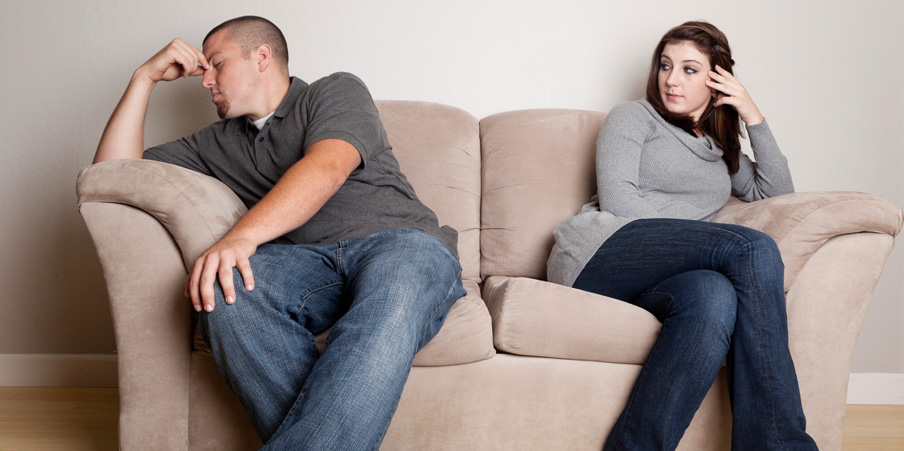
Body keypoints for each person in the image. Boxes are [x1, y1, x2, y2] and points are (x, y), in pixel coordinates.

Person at [93, 16, 465, 450]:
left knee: (390, 300)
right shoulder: (215, 144)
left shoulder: (333, 91)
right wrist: (144, 79)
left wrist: (240, 236)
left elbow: (326, 168)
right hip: (309, 267)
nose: (204, 80)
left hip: (403, 242)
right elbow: (111, 177)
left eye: (215, 64)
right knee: (222, 289)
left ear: (262, 57)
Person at [547, 21, 818, 450]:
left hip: (662, 271)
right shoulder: (632, 117)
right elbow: (619, 201)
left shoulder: (719, 148)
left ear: (717, 81)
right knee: (750, 248)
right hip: (600, 251)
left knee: (713, 296)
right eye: (666, 65)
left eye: (690, 69)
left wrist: (752, 115)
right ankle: (778, 444)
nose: (672, 79)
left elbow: (777, 195)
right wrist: (706, 247)